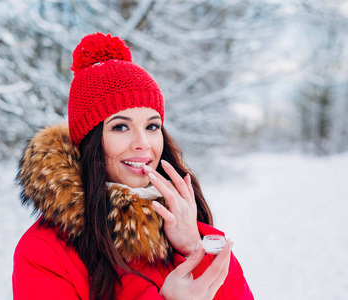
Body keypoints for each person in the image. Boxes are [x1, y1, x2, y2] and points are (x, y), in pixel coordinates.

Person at [13, 32, 253, 300]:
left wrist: (193, 246)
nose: (143, 143)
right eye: (120, 127)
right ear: (88, 141)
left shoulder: (182, 229)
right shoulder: (43, 251)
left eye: (152, 126)